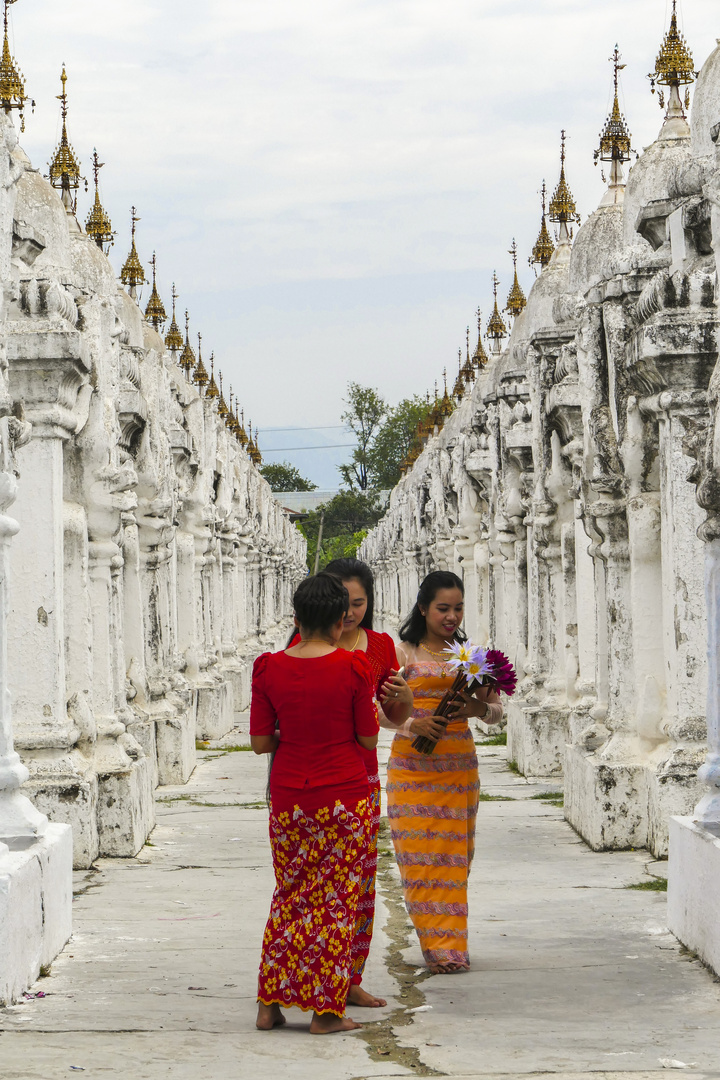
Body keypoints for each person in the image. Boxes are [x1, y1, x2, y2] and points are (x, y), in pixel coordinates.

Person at [251, 572, 379, 1034]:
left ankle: (270, 1005)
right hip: (343, 795)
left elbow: (262, 742)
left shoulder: (268, 666)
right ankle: (325, 1012)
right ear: (341, 620)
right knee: (337, 902)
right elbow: (367, 736)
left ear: (296, 618)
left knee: (291, 895)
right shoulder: (352, 667)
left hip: (290, 798)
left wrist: (296, 733)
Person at [287, 557, 414, 1008]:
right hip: (311, 778)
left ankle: (347, 976)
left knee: (358, 886)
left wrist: (404, 699)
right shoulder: (300, 648)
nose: (349, 613)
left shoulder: (379, 646)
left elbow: (391, 721)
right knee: (312, 888)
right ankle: (313, 984)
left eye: (357, 603)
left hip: (360, 773)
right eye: (342, 603)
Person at [387, 571, 503, 975]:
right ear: (423, 608)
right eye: (442, 608)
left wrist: (475, 709)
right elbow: (375, 712)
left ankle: (451, 944)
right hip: (411, 769)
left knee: (453, 858)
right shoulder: (402, 654)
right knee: (420, 857)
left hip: (457, 767)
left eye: (457, 608)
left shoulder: (472, 656)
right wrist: (411, 725)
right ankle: (439, 948)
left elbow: (497, 714)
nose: (451, 616)